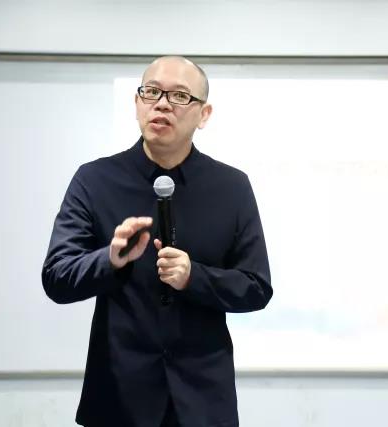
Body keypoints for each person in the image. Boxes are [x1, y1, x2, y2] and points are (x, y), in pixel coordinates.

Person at [42, 56, 272, 427]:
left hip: (202, 402)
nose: (162, 104)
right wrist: (109, 260)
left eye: (179, 95)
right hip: (118, 400)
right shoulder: (95, 180)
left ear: (204, 114)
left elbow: (257, 287)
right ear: (137, 103)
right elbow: (57, 277)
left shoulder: (232, 187)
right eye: (151, 92)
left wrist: (195, 277)